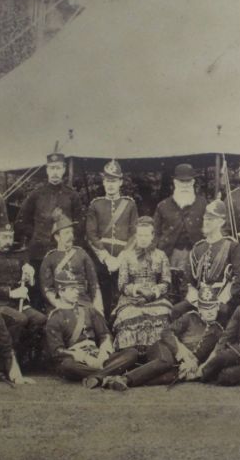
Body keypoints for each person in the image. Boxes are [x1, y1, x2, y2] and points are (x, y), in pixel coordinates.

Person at [103, 286, 224, 391]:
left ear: (217, 307)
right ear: (199, 308)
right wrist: (181, 351)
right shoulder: (190, 317)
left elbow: (210, 353)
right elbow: (166, 332)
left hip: (179, 363)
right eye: (205, 308)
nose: (209, 312)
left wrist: (193, 364)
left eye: (212, 307)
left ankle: (114, 380)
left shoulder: (218, 331)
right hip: (162, 347)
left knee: (173, 376)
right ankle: (124, 379)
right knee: (166, 362)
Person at [43, 270, 138, 387]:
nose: (77, 292)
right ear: (61, 292)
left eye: (77, 288)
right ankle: (112, 375)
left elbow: (104, 334)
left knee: (132, 353)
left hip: (99, 356)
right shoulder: (54, 318)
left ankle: (99, 377)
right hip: (78, 360)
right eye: (72, 289)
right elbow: (57, 351)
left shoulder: (88, 310)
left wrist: (104, 351)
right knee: (67, 366)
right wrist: (82, 357)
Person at [15, 150, 84, 306]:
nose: (55, 172)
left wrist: (69, 243)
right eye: (51, 168)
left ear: (64, 169)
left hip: (63, 254)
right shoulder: (36, 195)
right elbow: (20, 221)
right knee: (39, 294)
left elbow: (80, 225)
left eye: (58, 168)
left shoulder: (72, 196)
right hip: (39, 254)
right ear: (46, 169)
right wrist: (36, 235)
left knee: (63, 291)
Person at [0, 223, 47, 368]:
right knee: (20, 319)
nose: (8, 240)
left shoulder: (19, 257)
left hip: (18, 305)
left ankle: (22, 358)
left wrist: (30, 276)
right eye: (4, 237)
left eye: (10, 237)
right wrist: (11, 293)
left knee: (40, 320)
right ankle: (1, 357)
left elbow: (28, 282)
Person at [175, 200, 240, 324]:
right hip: (199, 298)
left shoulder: (231, 246)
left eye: (211, 219)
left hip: (221, 299)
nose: (206, 222)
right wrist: (195, 300)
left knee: (223, 312)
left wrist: (222, 299)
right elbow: (187, 281)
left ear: (221, 222)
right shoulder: (198, 247)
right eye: (205, 219)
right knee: (176, 311)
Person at [86, 159, 138, 318]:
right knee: (103, 296)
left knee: (124, 294)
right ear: (103, 182)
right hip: (101, 260)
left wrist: (121, 257)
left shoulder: (129, 204)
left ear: (120, 182)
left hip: (124, 257)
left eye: (114, 181)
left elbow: (134, 233)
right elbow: (91, 234)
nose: (110, 185)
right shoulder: (95, 204)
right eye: (108, 181)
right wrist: (107, 259)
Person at [111, 217, 174, 351]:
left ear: (152, 236)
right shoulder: (127, 256)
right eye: (140, 235)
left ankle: (159, 350)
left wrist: (155, 291)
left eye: (146, 235)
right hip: (132, 299)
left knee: (163, 313)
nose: (143, 238)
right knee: (128, 315)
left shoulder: (161, 255)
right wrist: (138, 290)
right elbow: (122, 284)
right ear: (136, 236)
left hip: (155, 298)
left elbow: (166, 281)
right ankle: (131, 352)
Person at [39, 212, 103, 314]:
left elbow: (94, 283)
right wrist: (59, 304)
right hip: (60, 303)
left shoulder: (82, 254)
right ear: (57, 237)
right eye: (66, 233)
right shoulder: (49, 259)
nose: (71, 236)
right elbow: (47, 289)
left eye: (71, 232)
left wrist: (98, 305)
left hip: (83, 301)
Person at [152, 163, 207, 274]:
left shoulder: (203, 204)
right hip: (169, 254)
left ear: (193, 182)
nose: (185, 186)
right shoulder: (162, 206)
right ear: (175, 182)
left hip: (196, 255)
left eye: (188, 182)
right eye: (182, 182)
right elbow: (155, 233)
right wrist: (155, 255)